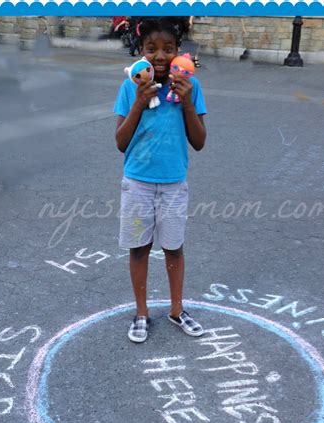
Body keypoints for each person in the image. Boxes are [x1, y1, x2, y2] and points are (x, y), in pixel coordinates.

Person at [114, 17, 207, 343]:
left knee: (174, 248)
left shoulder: (190, 87)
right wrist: (139, 101)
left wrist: (186, 104)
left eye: (169, 49)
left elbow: (199, 141)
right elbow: (121, 141)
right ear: (140, 52)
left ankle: (177, 309)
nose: (160, 56)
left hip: (173, 182)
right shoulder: (131, 86)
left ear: (179, 52)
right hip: (138, 181)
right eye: (151, 49)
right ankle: (141, 312)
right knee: (139, 249)